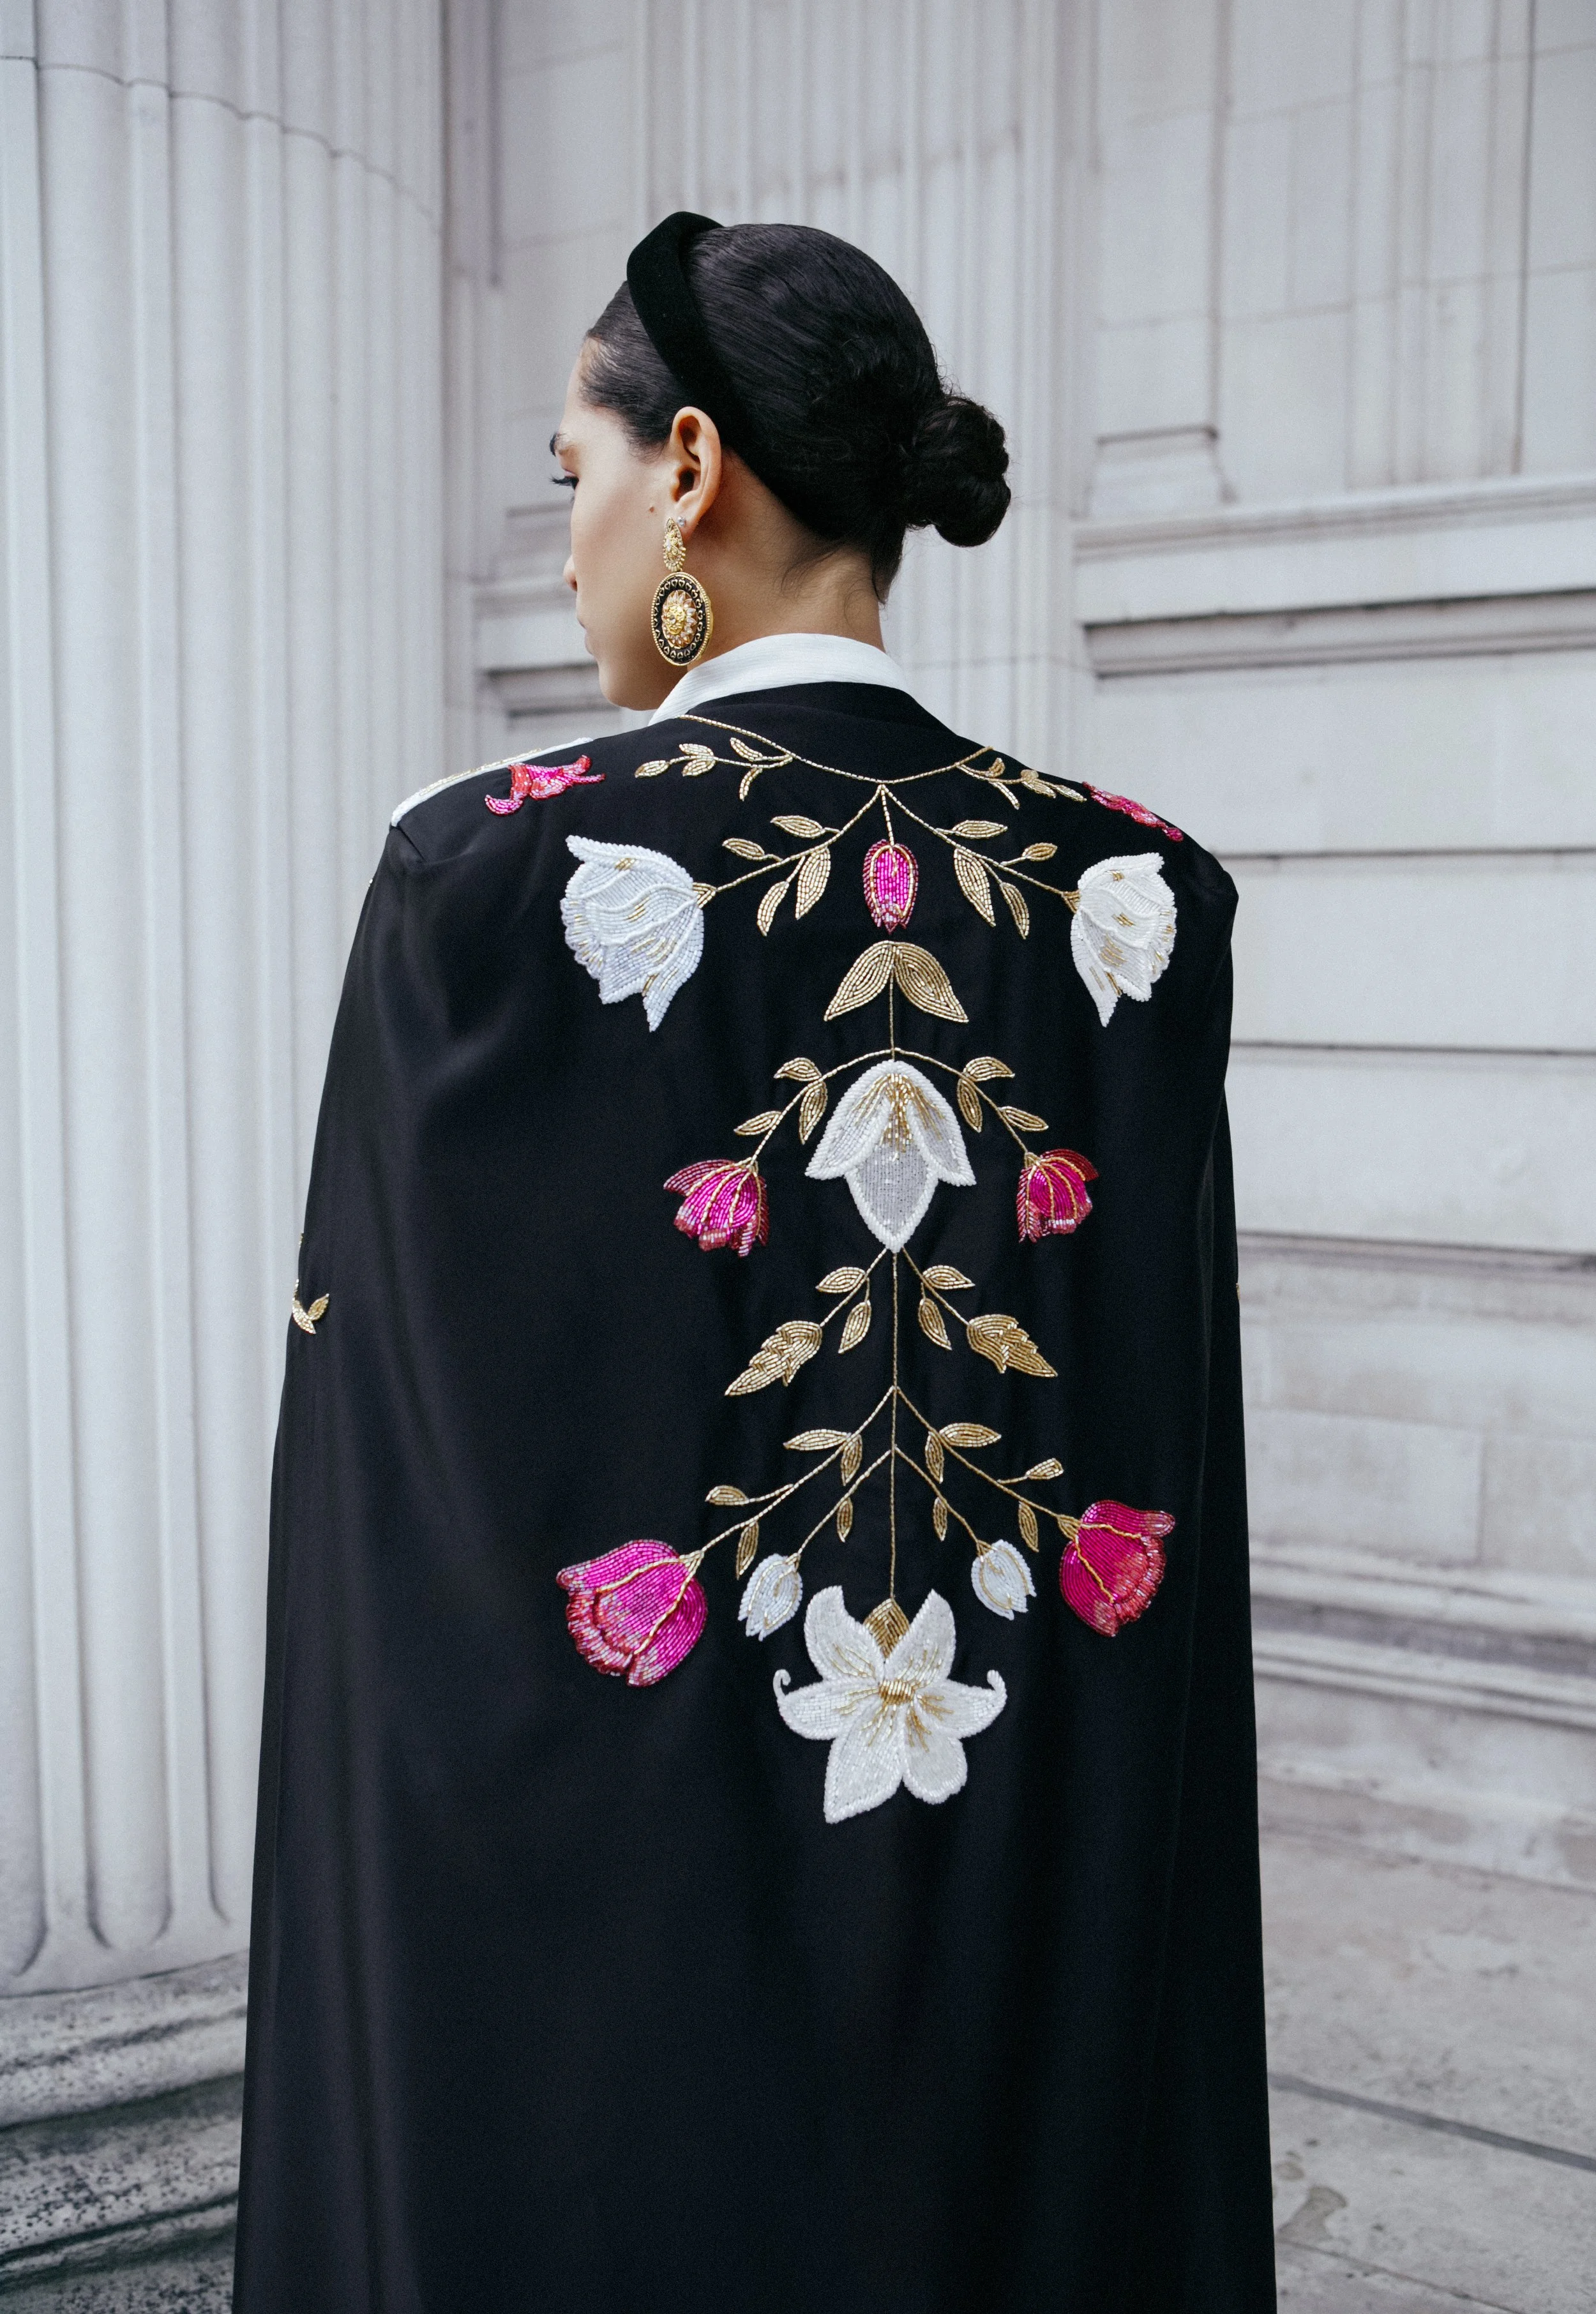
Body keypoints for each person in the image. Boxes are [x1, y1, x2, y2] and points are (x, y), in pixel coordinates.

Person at [234, 214, 1276, 2313]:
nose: (567, 549)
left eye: (573, 477)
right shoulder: (1138, 894)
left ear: (688, 464)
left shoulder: (487, 876)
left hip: (600, 2014)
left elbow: (403, 1543)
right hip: (1020, 1967)